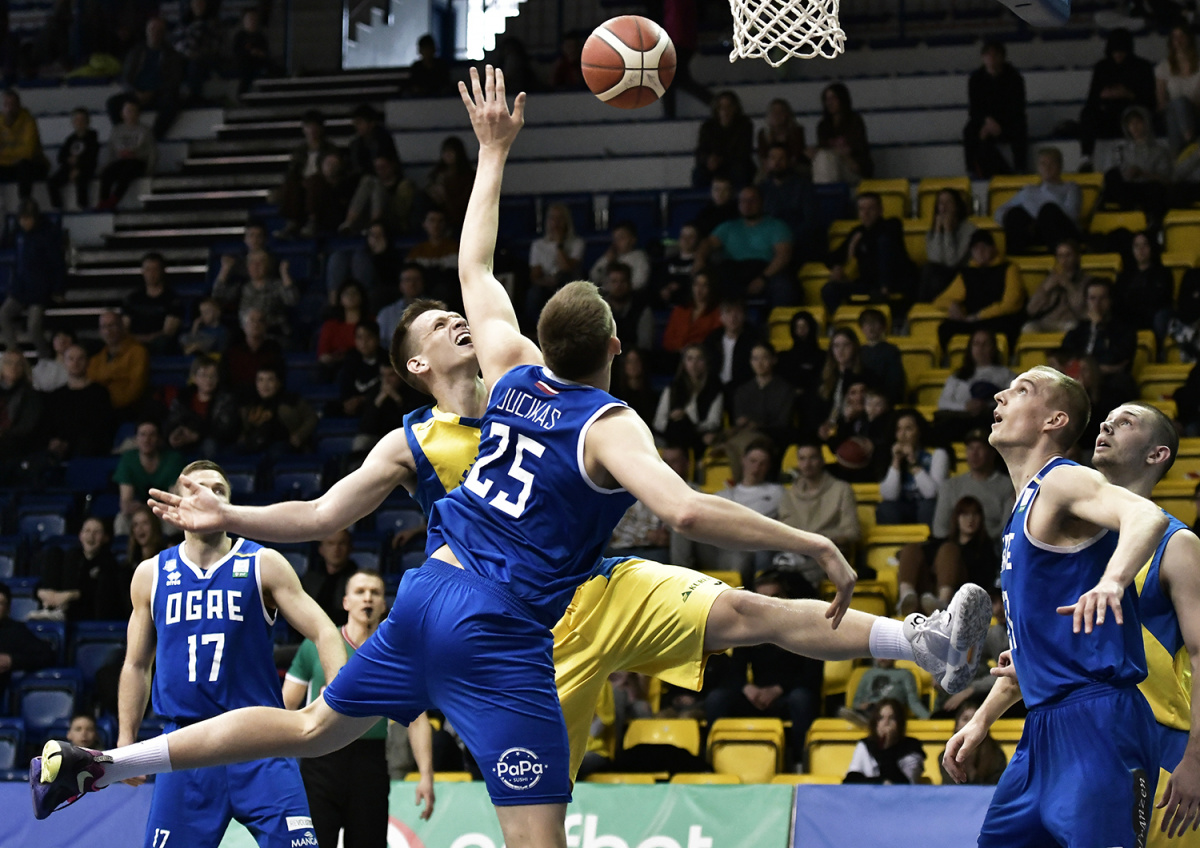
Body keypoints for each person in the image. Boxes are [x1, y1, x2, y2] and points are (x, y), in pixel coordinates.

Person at [40, 69, 991, 844]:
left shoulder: (511, 375)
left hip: (524, 593)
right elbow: (679, 509)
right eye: (436, 327)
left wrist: (494, 152)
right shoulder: (494, 426)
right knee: (517, 822)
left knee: (316, 727)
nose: (456, 322)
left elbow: (476, 268)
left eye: (458, 320)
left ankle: (106, 764)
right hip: (509, 631)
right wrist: (810, 541)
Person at [949, 402, 1200, 842]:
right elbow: (1043, 653)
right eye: (1107, 419)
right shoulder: (1064, 540)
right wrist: (982, 718)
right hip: (1067, 730)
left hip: (1159, 749)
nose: (1107, 424)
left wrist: (1196, 760)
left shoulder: (1177, 544)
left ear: (1157, 454)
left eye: (1126, 422)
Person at [67, 462, 348, 846]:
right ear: (177, 503)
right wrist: (127, 738)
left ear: (228, 505)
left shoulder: (262, 563)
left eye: (218, 490)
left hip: (262, 743)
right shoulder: (151, 574)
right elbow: (136, 664)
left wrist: (336, 698)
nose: (208, 495)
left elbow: (324, 630)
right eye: (197, 488)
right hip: (185, 748)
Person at [284, 570, 435, 846]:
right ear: (346, 602)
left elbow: (417, 719)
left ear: (384, 604)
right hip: (319, 760)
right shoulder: (315, 645)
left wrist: (426, 775)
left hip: (370, 763)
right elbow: (286, 705)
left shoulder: (396, 653)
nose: (367, 598)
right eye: (360, 592)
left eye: (375, 593)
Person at [705, 570, 823, 765]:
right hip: (757, 697)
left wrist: (778, 690)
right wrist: (747, 688)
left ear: (786, 598)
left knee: (801, 698)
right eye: (763, 598)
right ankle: (712, 762)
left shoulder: (805, 630)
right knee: (717, 699)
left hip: (787, 696)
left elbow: (812, 676)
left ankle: (801, 763)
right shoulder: (748, 631)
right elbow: (735, 671)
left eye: (775, 597)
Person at [774, 440, 862, 593]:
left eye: (812, 458)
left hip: (827, 552)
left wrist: (824, 540)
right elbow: (783, 531)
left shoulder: (841, 490)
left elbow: (852, 532)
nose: (807, 464)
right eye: (802, 459)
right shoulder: (789, 495)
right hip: (797, 552)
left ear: (822, 460)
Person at [898, 495, 999, 617]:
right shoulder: (942, 542)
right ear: (957, 518)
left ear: (981, 518)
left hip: (960, 597)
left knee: (949, 550)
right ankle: (906, 598)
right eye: (965, 514)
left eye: (975, 514)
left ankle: (943, 603)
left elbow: (983, 582)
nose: (970, 519)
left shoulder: (986, 548)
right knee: (911, 548)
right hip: (927, 594)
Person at [693, 185, 795, 304]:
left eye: (752, 200)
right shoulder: (728, 227)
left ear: (762, 202)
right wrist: (699, 260)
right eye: (743, 201)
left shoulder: (777, 226)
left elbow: (783, 256)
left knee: (784, 287)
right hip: (732, 271)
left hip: (764, 269)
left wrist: (763, 278)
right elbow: (707, 243)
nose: (747, 205)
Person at [931, 229, 1025, 352]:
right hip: (973, 321)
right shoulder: (967, 273)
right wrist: (952, 305)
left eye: (984, 247)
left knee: (1008, 327)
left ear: (993, 248)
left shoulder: (1009, 269)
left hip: (997, 319)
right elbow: (940, 300)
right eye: (975, 248)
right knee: (945, 328)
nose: (980, 251)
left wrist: (979, 316)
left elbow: (1010, 304)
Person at [822, 192, 914, 316]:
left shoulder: (892, 225)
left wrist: (856, 244)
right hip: (867, 284)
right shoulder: (857, 232)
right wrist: (837, 266)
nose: (865, 213)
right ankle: (842, 321)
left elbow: (883, 242)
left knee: (884, 244)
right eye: (861, 209)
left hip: (894, 283)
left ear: (880, 210)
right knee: (829, 289)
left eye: (870, 209)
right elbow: (833, 257)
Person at [1080, 28, 1157, 170]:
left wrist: (1129, 94)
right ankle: (1086, 157)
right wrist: (1104, 96)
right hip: (1108, 116)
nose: (1118, 55)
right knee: (1087, 114)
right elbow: (1092, 99)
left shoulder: (1142, 67)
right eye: (1115, 51)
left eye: (1122, 51)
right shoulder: (1102, 68)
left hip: (1132, 113)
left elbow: (1150, 100)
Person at [1061, 278, 1139, 411]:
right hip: (1078, 380)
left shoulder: (1124, 331)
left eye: (1102, 298)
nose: (1097, 304)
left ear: (1110, 301)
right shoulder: (1077, 332)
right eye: (1092, 298)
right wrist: (1093, 369)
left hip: (1108, 384)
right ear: (1086, 301)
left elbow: (1114, 359)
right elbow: (1066, 359)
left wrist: (1100, 329)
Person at [0, 199, 64, 358]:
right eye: (21, 219)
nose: (24, 222)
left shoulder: (48, 235)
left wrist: (58, 289)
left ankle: (45, 358)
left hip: (40, 291)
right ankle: (14, 353)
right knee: (3, 314)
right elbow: (7, 243)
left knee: (33, 326)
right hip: (21, 287)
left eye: (27, 218)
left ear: (35, 218)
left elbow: (58, 264)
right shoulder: (18, 233)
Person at [35, 517, 125, 622]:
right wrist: (42, 592)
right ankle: (50, 609)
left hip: (88, 614)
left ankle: (62, 610)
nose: (91, 536)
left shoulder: (109, 563)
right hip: (58, 603)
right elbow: (40, 585)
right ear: (80, 535)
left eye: (97, 532)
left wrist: (71, 595)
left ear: (105, 538)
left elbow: (100, 594)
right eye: (87, 531)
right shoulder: (73, 557)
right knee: (54, 553)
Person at [107, 17, 183, 140]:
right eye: (152, 29)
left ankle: (152, 138)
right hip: (136, 93)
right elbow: (125, 76)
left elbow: (174, 79)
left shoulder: (171, 54)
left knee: (172, 103)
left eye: (159, 30)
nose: (155, 33)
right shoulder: (136, 52)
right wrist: (135, 92)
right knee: (112, 103)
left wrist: (153, 92)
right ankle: (123, 133)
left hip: (159, 94)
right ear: (147, 31)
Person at [995, 147, 1082, 256]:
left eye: (1052, 163)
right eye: (1043, 164)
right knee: (1014, 214)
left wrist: (1047, 193)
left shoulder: (1070, 188)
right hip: (1036, 232)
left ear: (1059, 166)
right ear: (1038, 168)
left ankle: (1060, 258)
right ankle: (1016, 259)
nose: (1047, 168)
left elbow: (1072, 216)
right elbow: (999, 212)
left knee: (1048, 210)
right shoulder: (1029, 190)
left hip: (1062, 233)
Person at [934, 331, 1015, 444]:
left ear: (993, 348)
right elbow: (942, 403)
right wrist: (965, 407)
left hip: (989, 421)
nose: (981, 348)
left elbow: (1013, 401)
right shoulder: (957, 376)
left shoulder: (1006, 374)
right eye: (976, 344)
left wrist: (986, 406)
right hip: (960, 421)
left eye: (985, 344)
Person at [964, 40, 1028, 178]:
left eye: (995, 55)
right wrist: (987, 122)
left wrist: (999, 125)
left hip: (1008, 121)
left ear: (1002, 57)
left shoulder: (1015, 78)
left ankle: (1020, 167)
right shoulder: (975, 79)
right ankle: (971, 169)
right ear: (983, 57)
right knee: (969, 131)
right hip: (985, 122)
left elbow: (1017, 107)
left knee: (1020, 127)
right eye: (988, 55)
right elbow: (974, 109)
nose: (991, 59)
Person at [114, 420, 187, 537]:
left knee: (175, 521)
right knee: (121, 520)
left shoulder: (173, 460)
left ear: (159, 439)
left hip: (163, 512)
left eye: (152, 435)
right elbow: (126, 503)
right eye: (142, 435)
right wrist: (144, 509)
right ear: (136, 438)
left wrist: (150, 508)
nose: (147, 440)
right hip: (140, 512)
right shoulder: (128, 459)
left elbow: (174, 502)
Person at [877, 409, 950, 526]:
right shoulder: (889, 454)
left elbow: (932, 493)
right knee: (886, 508)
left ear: (919, 431)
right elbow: (890, 496)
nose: (902, 435)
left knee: (928, 506)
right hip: (903, 506)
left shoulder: (937, 453)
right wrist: (896, 461)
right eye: (898, 429)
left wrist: (913, 462)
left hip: (928, 506)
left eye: (908, 429)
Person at [275, 111, 340, 240]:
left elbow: (332, 174)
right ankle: (292, 222)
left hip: (322, 188)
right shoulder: (299, 151)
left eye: (315, 126)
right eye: (309, 126)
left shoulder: (330, 149)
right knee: (292, 182)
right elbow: (292, 172)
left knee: (314, 181)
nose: (312, 130)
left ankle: (313, 220)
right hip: (302, 189)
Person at [1103, 105, 1173, 223]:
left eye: (1138, 122)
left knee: (1156, 189)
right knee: (1111, 176)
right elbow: (1113, 173)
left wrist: (1143, 174)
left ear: (1146, 124)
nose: (1134, 127)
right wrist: (1126, 174)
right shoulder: (1120, 150)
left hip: (1148, 188)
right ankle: (1130, 211)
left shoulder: (1160, 151)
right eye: (1130, 123)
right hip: (1127, 189)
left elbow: (1167, 180)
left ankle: (1149, 219)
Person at [44, 343, 114, 459]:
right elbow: (49, 426)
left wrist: (69, 444)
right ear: (64, 363)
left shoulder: (100, 393)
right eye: (71, 359)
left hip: (89, 449)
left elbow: (102, 427)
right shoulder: (56, 396)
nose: (75, 363)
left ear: (88, 362)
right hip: (59, 451)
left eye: (80, 358)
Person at [653, 343, 723, 455]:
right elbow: (658, 422)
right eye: (690, 359)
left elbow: (714, 422)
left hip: (699, 436)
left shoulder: (714, 389)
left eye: (699, 359)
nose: (694, 364)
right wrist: (671, 419)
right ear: (684, 363)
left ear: (706, 362)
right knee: (678, 424)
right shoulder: (673, 389)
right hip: (673, 433)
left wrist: (689, 423)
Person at [164, 355, 239, 457]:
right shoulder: (184, 397)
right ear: (194, 378)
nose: (208, 379)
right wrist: (176, 432)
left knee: (209, 445)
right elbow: (173, 419)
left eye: (213, 376)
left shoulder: (225, 399)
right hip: (186, 437)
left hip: (211, 440)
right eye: (203, 375)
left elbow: (225, 429)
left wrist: (197, 434)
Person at [236, 366, 317, 457]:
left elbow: (312, 417)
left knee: (275, 452)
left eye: (270, 380)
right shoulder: (251, 403)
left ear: (278, 383)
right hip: (255, 442)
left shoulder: (291, 400)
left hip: (284, 443)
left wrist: (299, 435)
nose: (264, 385)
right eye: (260, 380)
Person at [843, 698, 925, 784]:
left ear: (900, 723)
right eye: (881, 718)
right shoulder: (865, 744)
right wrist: (880, 781)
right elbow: (850, 780)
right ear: (875, 723)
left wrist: (887, 746)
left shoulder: (912, 746)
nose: (886, 723)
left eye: (892, 718)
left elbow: (906, 783)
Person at [96, 98, 156, 211]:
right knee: (107, 173)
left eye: (133, 111)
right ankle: (103, 200)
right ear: (122, 113)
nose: (131, 114)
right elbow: (111, 150)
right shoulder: (116, 130)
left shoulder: (145, 130)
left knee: (127, 171)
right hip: (121, 161)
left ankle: (114, 200)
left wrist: (149, 169)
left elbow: (151, 151)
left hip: (137, 162)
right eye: (128, 111)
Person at [1022, 238, 1092, 334]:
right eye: (1060, 256)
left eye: (1068, 255)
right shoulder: (1050, 279)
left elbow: (1081, 310)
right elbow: (1031, 309)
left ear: (1077, 257)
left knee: (1073, 329)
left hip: (1069, 322)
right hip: (1048, 322)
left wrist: (1068, 286)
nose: (1064, 260)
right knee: (1028, 328)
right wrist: (1045, 289)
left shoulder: (1087, 281)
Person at [0, 581, 55, 703]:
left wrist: (11, 661)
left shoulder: (15, 631)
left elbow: (47, 655)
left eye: (0, 603)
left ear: (8, 609)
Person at [86, 310, 149, 417]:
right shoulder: (96, 359)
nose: (108, 331)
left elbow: (135, 388)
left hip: (126, 410)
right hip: (98, 410)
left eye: (112, 325)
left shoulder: (137, 352)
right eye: (104, 327)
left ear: (122, 327)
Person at [920, 189, 977, 303]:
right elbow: (934, 260)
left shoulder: (969, 230)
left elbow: (952, 262)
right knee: (928, 270)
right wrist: (937, 232)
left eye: (948, 202)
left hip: (962, 276)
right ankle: (923, 307)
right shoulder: (932, 231)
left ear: (957, 207)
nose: (944, 207)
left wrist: (947, 232)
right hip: (938, 276)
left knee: (932, 273)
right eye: (940, 203)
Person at [340, 154, 416, 238]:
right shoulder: (373, 183)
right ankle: (348, 223)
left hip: (391, 219)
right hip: (367, 217)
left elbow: (401, 211)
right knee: (367, 180)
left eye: (383, 167)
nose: (380, 171)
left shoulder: (403, 184)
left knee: (377, 186)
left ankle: (374, 225)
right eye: (377, 168)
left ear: (392, 166)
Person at [812, 82, 873, 183]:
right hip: (830, 166)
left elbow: (857, 150)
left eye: (833, 98)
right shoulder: (823, 125)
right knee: (823, 158)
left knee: (825, 158)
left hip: (852, 168)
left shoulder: (854, 121)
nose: (829, 102)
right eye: (827, 99)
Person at [122, 252, 181, 355]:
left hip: (157, 345)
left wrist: (146, 339)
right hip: (134, 343)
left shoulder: (172, 299)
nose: (151, 274)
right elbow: (124, 327)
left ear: (162, 271)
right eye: (148, 269)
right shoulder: (133, 298)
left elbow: (168, 332)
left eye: (155, 269)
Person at [692, 91, 754, 188]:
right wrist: (708, 159)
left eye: (729, 107)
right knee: (698, 174)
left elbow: (743, 152)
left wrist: (720, 160)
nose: (725, 111)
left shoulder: (745, 125)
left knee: (741, 171)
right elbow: (700, 150)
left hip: (734, 164)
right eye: (721, 107)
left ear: (735, 108)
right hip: (714, 166)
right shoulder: (707, 126)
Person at [937, 700, 1006, 785]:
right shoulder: (947, 756)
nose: (969, 724)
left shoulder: (997, 755)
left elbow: (997, 787)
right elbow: (950, 787)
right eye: (965, 719)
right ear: (957, 726)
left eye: (974, 719)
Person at [221, 309, 286, 400]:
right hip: (237, 400)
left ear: (266, 326)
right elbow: (224, 382)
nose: (256, 324)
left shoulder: (274, 351)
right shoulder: (232, 352)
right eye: (252, 320)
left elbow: (279, 381)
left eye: (260, 321)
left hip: (267, 401)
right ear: (243, 326)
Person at [1156, 25, 1200, 155]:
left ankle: (1177, 155)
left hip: (1196, 112)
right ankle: (1189, 141)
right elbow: (1161, 102)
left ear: (1189, 38)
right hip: (1172, 113)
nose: (1178, 41)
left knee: (1181, 104)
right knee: (1177, 105)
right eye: (1175, 37)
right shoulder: (1164, 67)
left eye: (1182, 36)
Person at [302, 530, 357, 627]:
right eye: (330, 543)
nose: (336, 549)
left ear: (350, 548)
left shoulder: (358, 581)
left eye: (342, 543)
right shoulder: (309, 580)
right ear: (321, 549)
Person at [0, 89, 48, 200]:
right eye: (6, 105)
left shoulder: (29, 121)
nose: (9, 108)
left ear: (18, 105)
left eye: (12, 104)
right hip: (8, 165)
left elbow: (28, 152)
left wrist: (4, 154)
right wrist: (13, 157)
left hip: (33, 165)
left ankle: (25, 202)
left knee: (24, 165)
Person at [47, 107, 98, 210]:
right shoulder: (70, 139)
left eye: (82, 120)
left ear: (87, 121)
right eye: (77, 120)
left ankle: (83, 207)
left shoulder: (92, 138)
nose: (79, 123)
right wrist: (68, 161)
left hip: (86, 168)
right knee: (52, 182)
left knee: (82, 179)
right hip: (69, 168)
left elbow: (91, 158)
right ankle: (58, 208)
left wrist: (78, 167)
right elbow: (61, 157)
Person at [661, 271, 722, 355]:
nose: (699, 289)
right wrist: (680, 349)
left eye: (704, 285)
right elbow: (667, 341)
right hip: (676, 355)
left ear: (711, 288)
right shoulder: (679, 310)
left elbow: (714, 341)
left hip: (702, 357)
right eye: (696, 284)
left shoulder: (716, 313)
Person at [421, 135, 474, 231]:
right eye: (445, 151)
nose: (448, 154)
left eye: (451, 151)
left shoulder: (469, 177)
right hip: (439, 213)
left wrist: (445, 196)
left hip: (460, 218)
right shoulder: (437, 174)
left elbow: (465, 205)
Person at [587, 221, 651, 293]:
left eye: (621, 238)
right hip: (606, 295)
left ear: (633, 239)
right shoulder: (610, 256)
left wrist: (619, 288)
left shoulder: (640, 257)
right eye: (615, 238)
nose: (617, 242)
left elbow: (640, 283)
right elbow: (593, 277)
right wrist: (606, 260)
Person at [858, 308, 905, 405]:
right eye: (867, 323)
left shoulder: (891, 351)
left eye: (875, 322)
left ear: (883, 327)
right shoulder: (858, 352)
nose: (871, 327)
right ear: (862, 328)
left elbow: (894, 382)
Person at [602, 262, 652, 352]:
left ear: (630, 283)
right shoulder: (599, 309)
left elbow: (645, 345)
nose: (618, 286)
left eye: (623, 281)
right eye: (614, 281)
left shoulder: (641, 309)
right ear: (607, 284)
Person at [375, 264, 427, 348]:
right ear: (401, 285)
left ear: (423, 283)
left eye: (416, 279)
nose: (412, 284)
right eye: (407, 280)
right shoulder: (386, 314)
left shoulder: (435, 310)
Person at [232, 9, 274, 96]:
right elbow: (236, 52)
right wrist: (249, 53)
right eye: (249, 19)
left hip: (259, 63)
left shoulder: (261, 37)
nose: (252, 21)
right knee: (247, 71)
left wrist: (260, 53)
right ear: (244, 21)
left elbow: (266, 52)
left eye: (254, 19)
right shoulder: (240, 36)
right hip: (244, 64)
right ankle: (242, 95)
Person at [407, 34, 451, 98]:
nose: (427, 52)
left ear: (434, 49)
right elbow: (414, 87)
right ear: (420, 51)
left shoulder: (441, 66)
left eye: (429, 49)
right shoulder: (416, 67)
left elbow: (445, 86)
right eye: (425, 49)